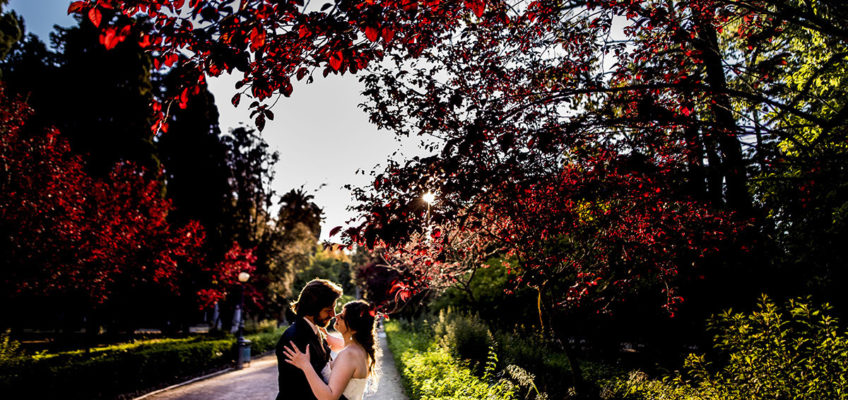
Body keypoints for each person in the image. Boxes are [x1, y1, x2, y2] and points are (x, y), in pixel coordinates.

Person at [283, 300, 378, 400]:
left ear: (354, 329)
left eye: (342, 317)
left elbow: (330, 397)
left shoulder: (350, 354)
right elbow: (332, 341)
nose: (336, 316)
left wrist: (305, 365)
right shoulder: (357, 347)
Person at [275, 279, 343, 400]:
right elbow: (304, 389)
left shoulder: (314, 331)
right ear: (312, 309)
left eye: (333, 308)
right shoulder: (295, 338)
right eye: (328, 310)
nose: (333, 314)